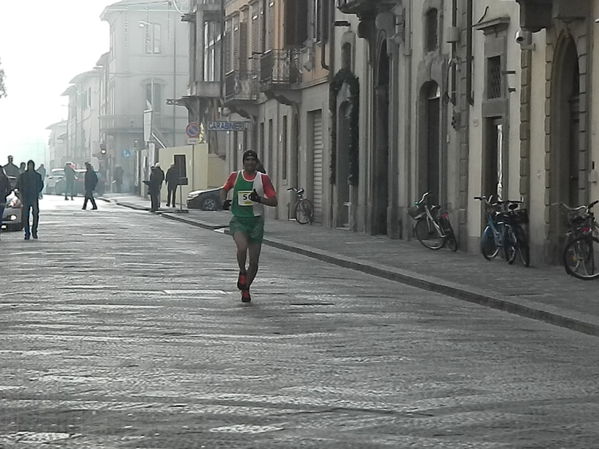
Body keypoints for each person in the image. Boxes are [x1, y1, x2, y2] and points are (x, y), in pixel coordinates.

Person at [221, 150, 278, 303]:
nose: (250, 162)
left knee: (254, 261)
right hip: (239, 220)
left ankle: (246, 288)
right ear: (243, 162)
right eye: (248, 160)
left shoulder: (263, 179)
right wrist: (223, 201)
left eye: (253, 160)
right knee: (241, 247)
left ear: (256, 162)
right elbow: (224, 189)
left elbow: (274, 201)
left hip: (256, 222)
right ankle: (241, 271)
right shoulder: (235, 176)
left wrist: (259, 199)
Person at [16, 160, 44, 240]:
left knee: (35, 214)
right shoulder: (23, 176)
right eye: (29, 165)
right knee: (25, 216)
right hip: (26, 197)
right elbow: (19, 185)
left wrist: (37, 191)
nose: (30, 167)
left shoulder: (37, 176)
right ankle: (27, 232)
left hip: (33, 197)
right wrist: (22, 193)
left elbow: (40, 185)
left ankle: (34, 231)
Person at [0, 167, 11, 241]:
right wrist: (5, 194)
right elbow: (9, 189)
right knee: (0, 216)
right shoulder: (5, 178)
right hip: (2, 200)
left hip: (2, 200)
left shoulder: (4, 178)